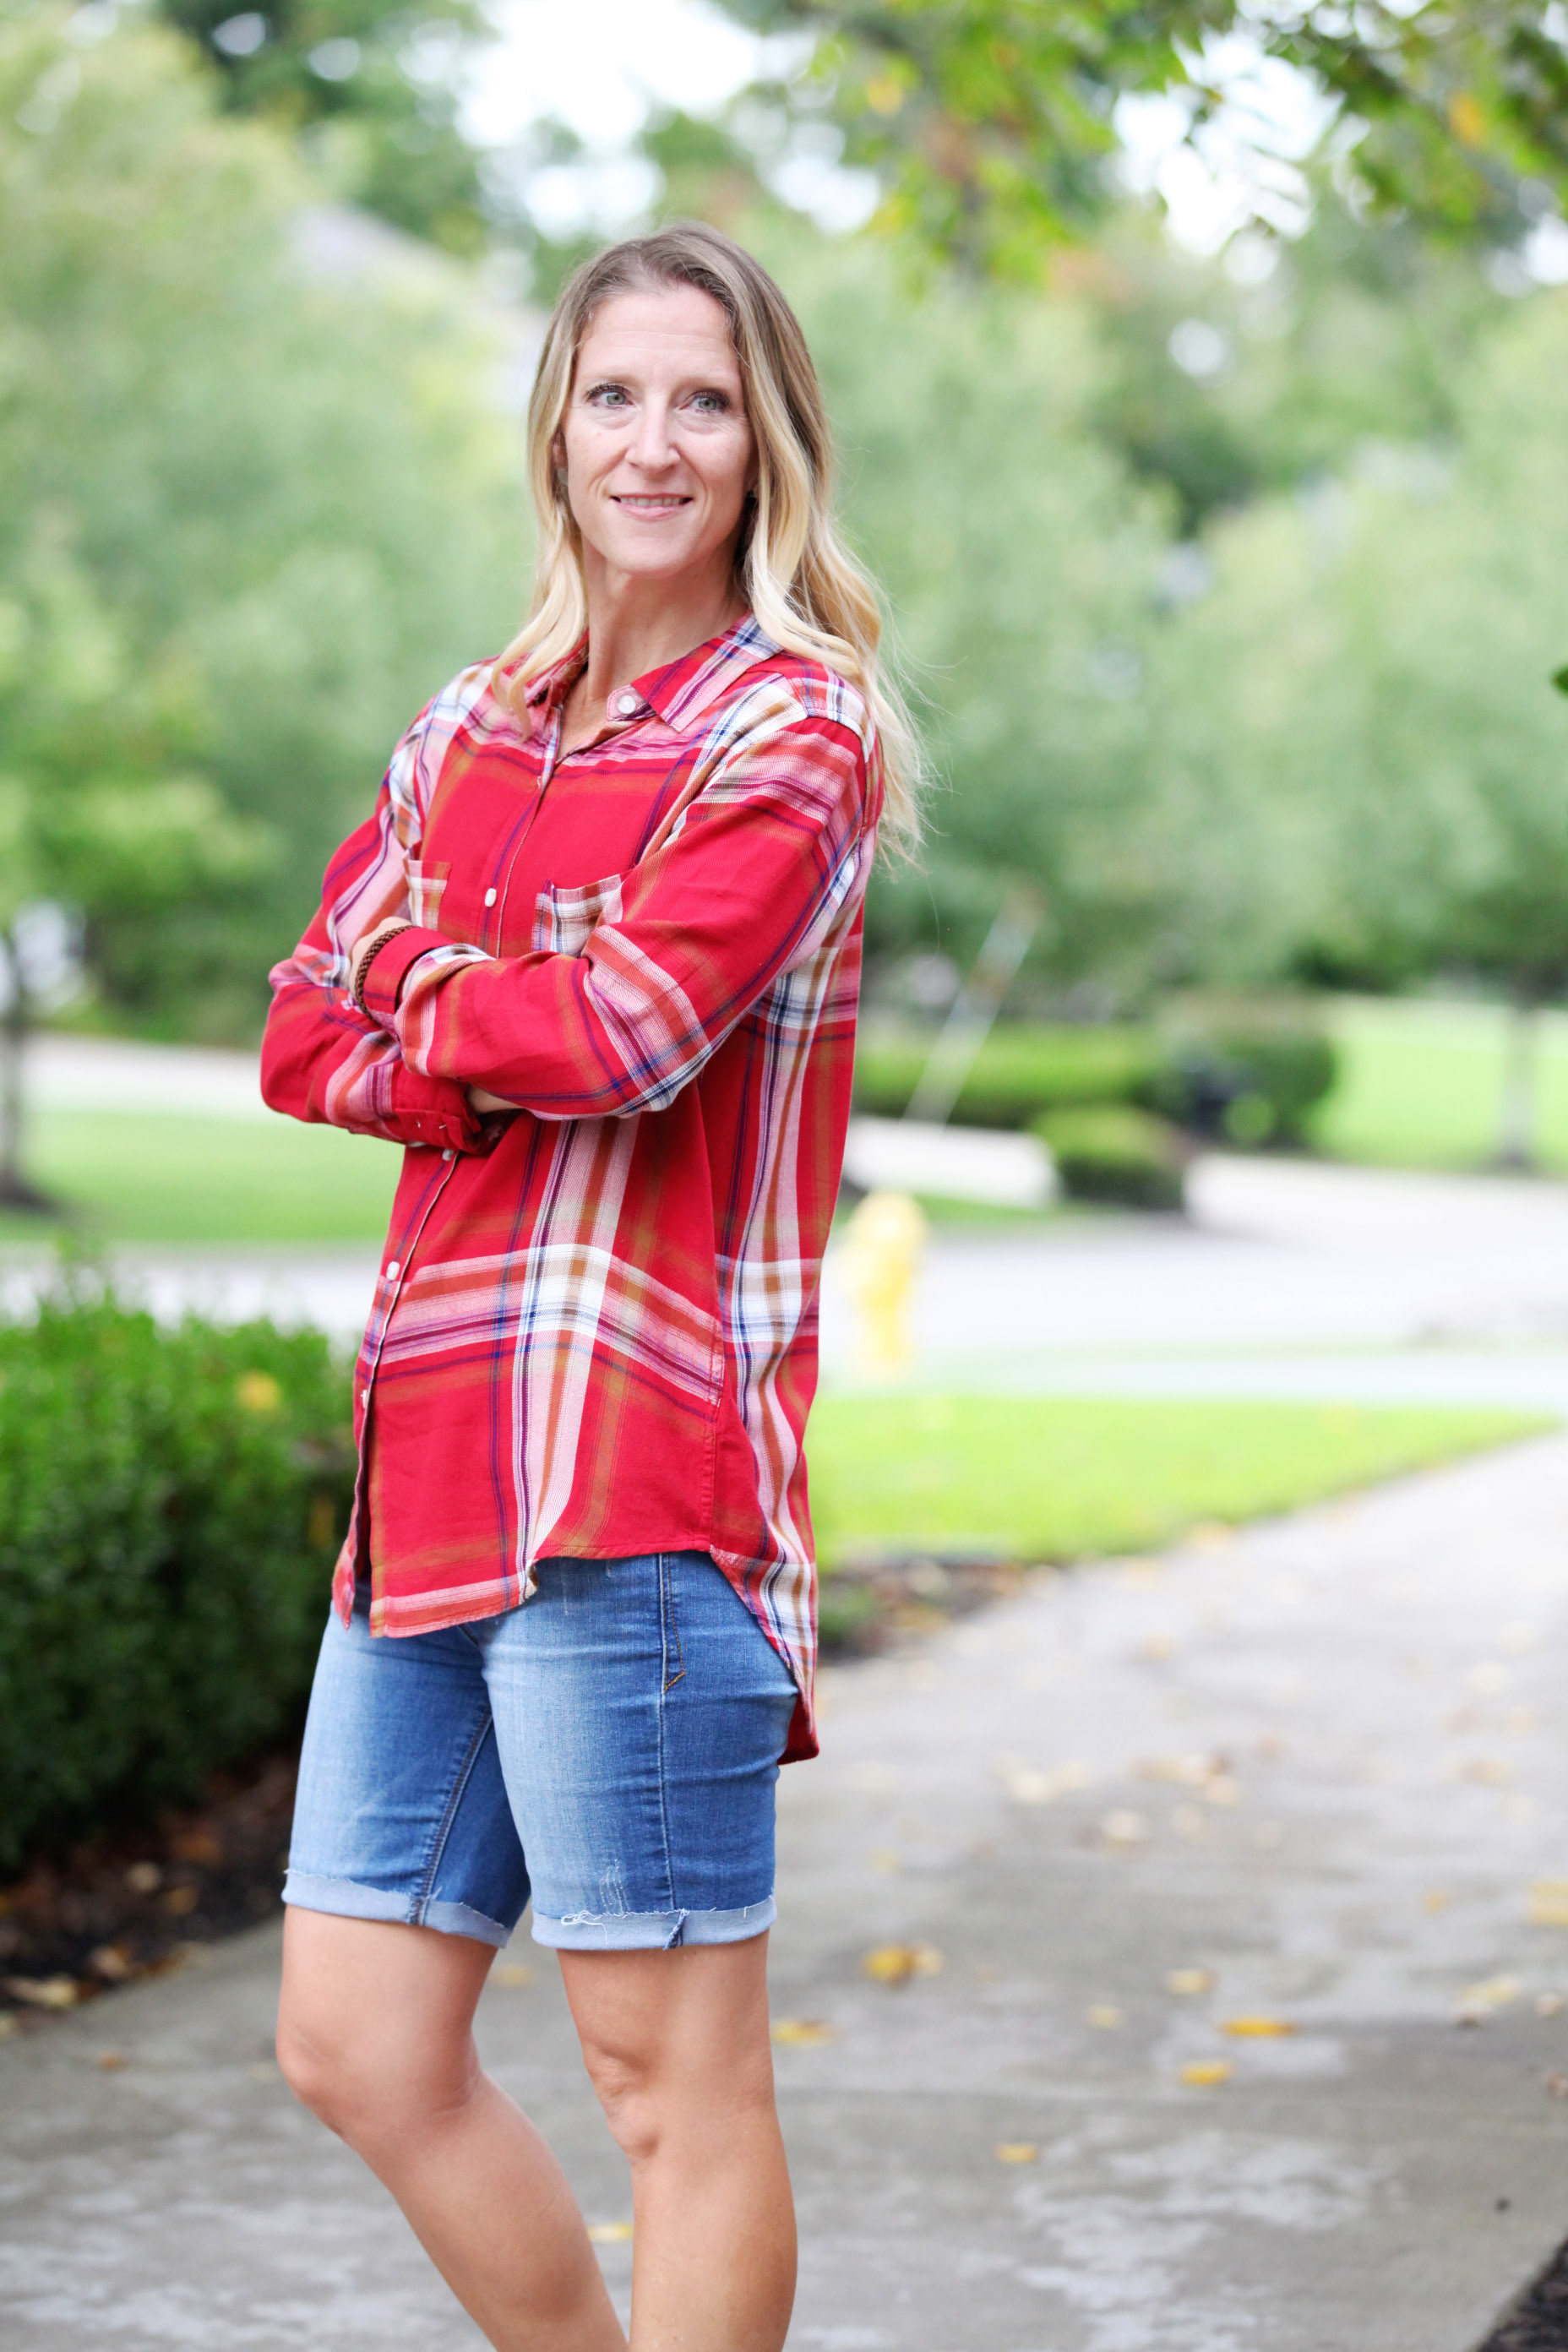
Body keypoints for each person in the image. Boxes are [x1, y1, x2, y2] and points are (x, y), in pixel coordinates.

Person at [260, 222, 919, 2352]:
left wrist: (431, 998)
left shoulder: (793, 729)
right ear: (557, 425)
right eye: (616, 393)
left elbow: (624, 1029)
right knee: (356, 2041)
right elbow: (293, 1031)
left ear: (767, 448)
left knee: (668, 2082)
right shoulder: (472, 720)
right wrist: (478, 1020)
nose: (655, 439)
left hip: (633, 1479)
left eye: (703, 400)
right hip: (433, 1463)